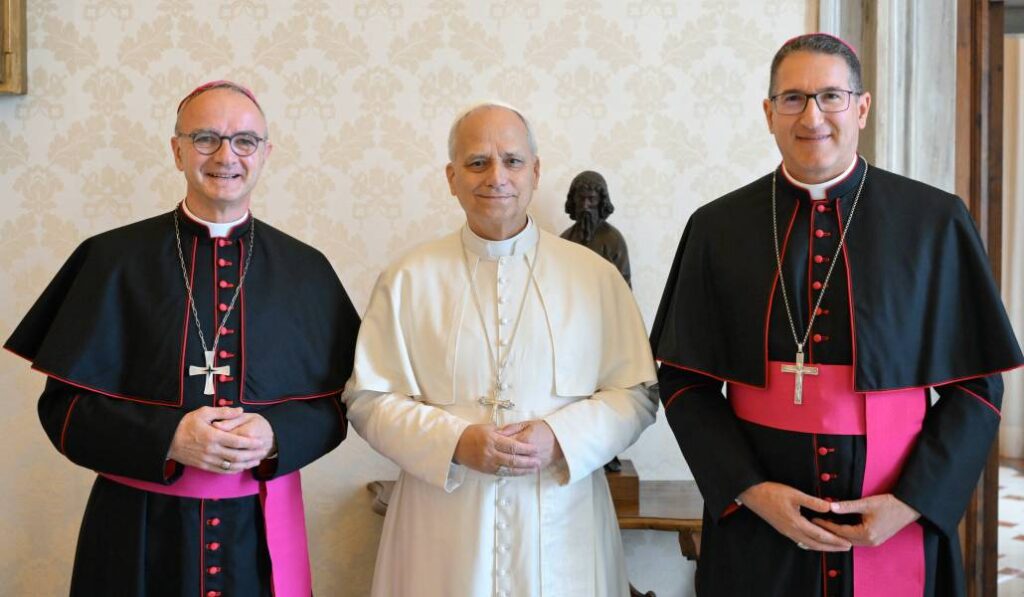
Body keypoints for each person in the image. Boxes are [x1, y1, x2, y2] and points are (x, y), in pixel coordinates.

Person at [651, 34, 1023, 597]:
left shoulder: (933, 222)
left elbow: (976, 386)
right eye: (793, 98)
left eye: (831, 96)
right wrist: (751, 491)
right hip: (762, 522)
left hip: (897, 516)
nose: (813, 116)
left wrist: (912, 503)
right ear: (768, 113)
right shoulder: (717, 228)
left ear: (862, 108)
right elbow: (684, 381)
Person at [5, 80, 360, 596]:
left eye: (244, 141)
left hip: (257, 535)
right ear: (176, 151)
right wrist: (168, 438)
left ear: (265, 154)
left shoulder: (306, 270)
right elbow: (63, 410)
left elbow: (339, 405)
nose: (226, 155)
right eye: (205, 138)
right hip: (137, 532)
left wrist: (275, 434)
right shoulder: (112, 260)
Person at [343, 102, 657, 597]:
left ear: (536, 171)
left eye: (512, 161)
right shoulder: (408, 279)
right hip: (442, 529)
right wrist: (456, 442)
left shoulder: (595, 277)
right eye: (477, 163)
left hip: (562, 520)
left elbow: (636, 393)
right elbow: (368, 400)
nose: (496, 176)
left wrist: (559, 436)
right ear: (451, 177)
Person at [560, 170, 632, 287]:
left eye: (591, 199)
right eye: (581, 198)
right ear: (573, 200)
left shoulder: (613, 240)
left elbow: (624, 287)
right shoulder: (565, 239)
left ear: (601, 202)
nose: (585, 206)